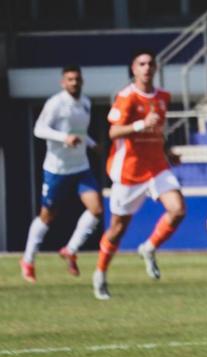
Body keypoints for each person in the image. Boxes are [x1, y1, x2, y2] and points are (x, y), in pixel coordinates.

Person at [92, 49, 184, 300]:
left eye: (150, 63)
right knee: (117, 229)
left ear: (155, 68)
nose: (146, 67)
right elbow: (113, 133)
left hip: (156, 166)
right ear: (134, 68)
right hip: (129, 171)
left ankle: (149, 247)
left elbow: (157, 132)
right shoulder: (127, 97)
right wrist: (142, 124)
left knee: (177, 209)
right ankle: (100, 274)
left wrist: (167, 151)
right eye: (141, 63)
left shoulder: (163, 97)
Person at [20, 65, 103, 282]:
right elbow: (39, 129)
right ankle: (28, 259)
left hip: (81, 167)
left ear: (82, 81)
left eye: (77, 79)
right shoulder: (56, 103)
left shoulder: (85, 102)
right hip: (57, 169)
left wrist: (92, 144)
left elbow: (80, 132)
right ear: (62, 82)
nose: (74, 83)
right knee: (47, 216)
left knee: (96, 210)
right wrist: (63, 138)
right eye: (69, 79)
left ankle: (70, 250)